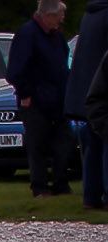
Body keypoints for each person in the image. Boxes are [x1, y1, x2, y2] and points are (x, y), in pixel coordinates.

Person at [7, 0, 74, 195]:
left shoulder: (56, 37)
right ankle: (40, 186)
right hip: (36, 101)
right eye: (59, 17)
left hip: (58, 100)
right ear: (48, 16)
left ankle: (60, 183)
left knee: (65, 141)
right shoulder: (27, 34)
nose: (61, 21)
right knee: (38, 145)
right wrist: (26, 93)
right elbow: (15, 71)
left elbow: (62, 63)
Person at [66, 0, 108, 206]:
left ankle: (90, 196)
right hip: (102, 88)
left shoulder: (90, 16)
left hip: (89, 91)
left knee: (93, 144)